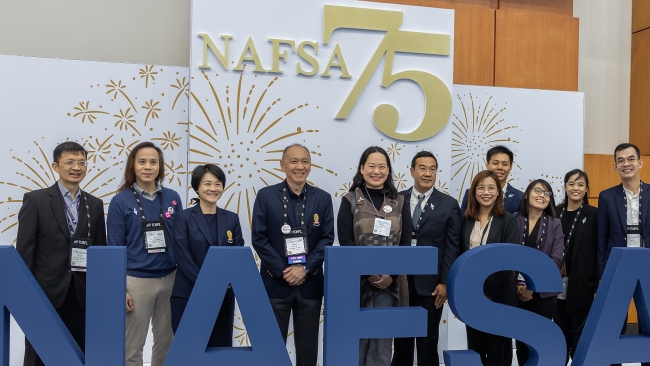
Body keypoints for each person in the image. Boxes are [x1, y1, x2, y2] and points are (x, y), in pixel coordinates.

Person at [16, 142, 107, 366]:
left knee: (77, 353)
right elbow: (25, 250)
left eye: (81, 163)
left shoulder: (94, 205)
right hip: (45, 291)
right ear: (55, 166)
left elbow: (100, 251)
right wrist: (27, 294)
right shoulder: (36, 200)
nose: (76, 167)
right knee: (39, 354)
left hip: (81, 294)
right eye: (70, 162)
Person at [251, 143, 334, 366]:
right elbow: (259, 237)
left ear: (310, 165)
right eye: (294, 161)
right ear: (282, 165)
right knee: (272, 346)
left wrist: (304, 268)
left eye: (304, 161)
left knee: (308, 346)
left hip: (310, 283)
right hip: (275, 282)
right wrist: (284, 270)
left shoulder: (323, 198)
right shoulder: (266, 196)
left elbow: (327, 239)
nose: (300, 166)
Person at [106, 141, 182, 366]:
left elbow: (179, 239)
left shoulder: (172, 197)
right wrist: (121, 288)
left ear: (160, 166)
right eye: (142, 162)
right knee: (133, 346)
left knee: (166, 343)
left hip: (170, 278)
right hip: (136, 281)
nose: (147, 167)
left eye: (153, 162)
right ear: (133, 166)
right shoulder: (120, 201)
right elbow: (115, 247)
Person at [337, 146, 412, 366]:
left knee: (382, 342)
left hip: (391, 284)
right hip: (358, 282)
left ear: (388, 170)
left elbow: (405, 243)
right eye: (371, 165)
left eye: (382, 166)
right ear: (362, 169)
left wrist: (390, 274)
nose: (376, 171)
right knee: (357, 341)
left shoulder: (399, 201)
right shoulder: (350, 200)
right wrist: (369, 273)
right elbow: (346, 242)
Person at [392, 151, 461, 366]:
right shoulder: (396, 200)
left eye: (432, 169)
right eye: (422, 168)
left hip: (431, 285)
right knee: (401, 341)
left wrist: (444, 282)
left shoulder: (448, 204)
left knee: (428, 341)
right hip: (399, 281)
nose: (427, 173)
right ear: (412, 171)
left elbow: (452, 246)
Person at [170, 164, 244, 346]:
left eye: (218, 184)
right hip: (189, 292)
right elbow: (182, 255)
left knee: (220, 350)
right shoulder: (183, 217)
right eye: (207, 184)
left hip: (223, 295)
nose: (213, 189)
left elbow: (237, 254)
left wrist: (222, 284)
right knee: (189, 349)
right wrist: (209, 285)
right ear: (197, 187)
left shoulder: (231, 218)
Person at [597, 143, 650, 366]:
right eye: (621, 160)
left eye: (630, 159)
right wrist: (602, 275)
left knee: (648, 319)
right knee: (615, 323)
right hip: (618, 266)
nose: (626, 164)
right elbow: (602, 239)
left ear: (640, 162)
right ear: (614, 166)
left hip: (647, 264)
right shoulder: (607, 197)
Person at [459, 170, 518, 366]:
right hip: (472, 294)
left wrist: (488, 293)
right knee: (475, 346)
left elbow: (507, 260)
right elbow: (461, 255)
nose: (486, 192)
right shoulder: (465, 219)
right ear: (474, 192)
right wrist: (471, 291)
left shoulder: (508, 220)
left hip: (499, 294)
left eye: (491, 188)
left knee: (497, 348)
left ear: (498, 192)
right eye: (481, 187)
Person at [514, 179, 564, 365]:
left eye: (546, 193)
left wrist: (531, 287)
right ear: (527, 194)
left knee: (538, 341)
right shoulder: (514, 218)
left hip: (542, 293)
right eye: (537, 191)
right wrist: (517, 286)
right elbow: (507, 254)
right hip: (514, 290)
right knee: (520, 341)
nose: (541, 195)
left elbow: (556, 260)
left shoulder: (555, 224)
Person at [554, 169, 598, 365]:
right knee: (559, 328)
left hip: (581, 281)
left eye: (580, 184)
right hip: (555, 281)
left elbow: (599, 248)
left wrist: (596, 283)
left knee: (579, 329)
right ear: (565, 186)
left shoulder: (594, 214)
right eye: (571, 183)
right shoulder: (555, 211)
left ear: (587, 188)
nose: (575, 188)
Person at [460, 145, 523, 215]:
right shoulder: (471, 193)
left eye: (504, 164)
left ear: (510, 167)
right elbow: (463, 220)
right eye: (495, 163)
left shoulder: (520, 197)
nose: (500, 167)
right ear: (487, 164)